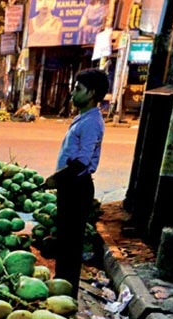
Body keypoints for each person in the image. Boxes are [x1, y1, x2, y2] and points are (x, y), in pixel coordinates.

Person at [40, 68, 109, 297]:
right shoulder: (84, 117)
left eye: (78, 89)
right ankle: (61, 284)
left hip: (77, 187)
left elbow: (81, 162)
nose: (72, 93)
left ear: (91, 93)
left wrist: (55, 179)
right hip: (70, 186)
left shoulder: (91, 122)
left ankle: (66, 292)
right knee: (66, 239)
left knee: (71, 243)